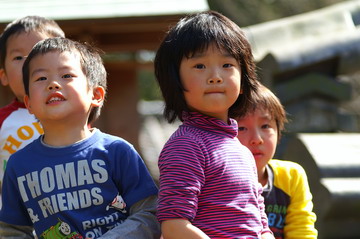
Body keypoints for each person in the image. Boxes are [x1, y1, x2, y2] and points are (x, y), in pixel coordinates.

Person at [0, 37, 160, 239]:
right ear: (29, 103)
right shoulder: (19, 165)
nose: (53, 84)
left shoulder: (117, 151)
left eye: (66, 75)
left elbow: (149, 213)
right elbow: (12, 231)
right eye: (41, 78)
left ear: (96, 95)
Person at [154, 10, 274, 239]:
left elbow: (259, 221)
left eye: (227, 64)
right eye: (200, 66)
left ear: (243, 81)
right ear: (175, 82)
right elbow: (174, 227)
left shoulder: (241, 149)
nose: (216, 76)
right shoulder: (186, 145)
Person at [236, 84, 318, 239]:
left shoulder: (291, 176)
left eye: (265, 126)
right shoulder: (217, 179)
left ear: (279, 133)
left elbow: (302, 230)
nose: (257, 139)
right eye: (241, 128)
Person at [0, 16, 65, 204]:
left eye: (39, 52)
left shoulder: (73, 113)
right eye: (18, 57)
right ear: (3, 75)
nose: (29, 64)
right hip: (15, 221)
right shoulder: (3, 120)